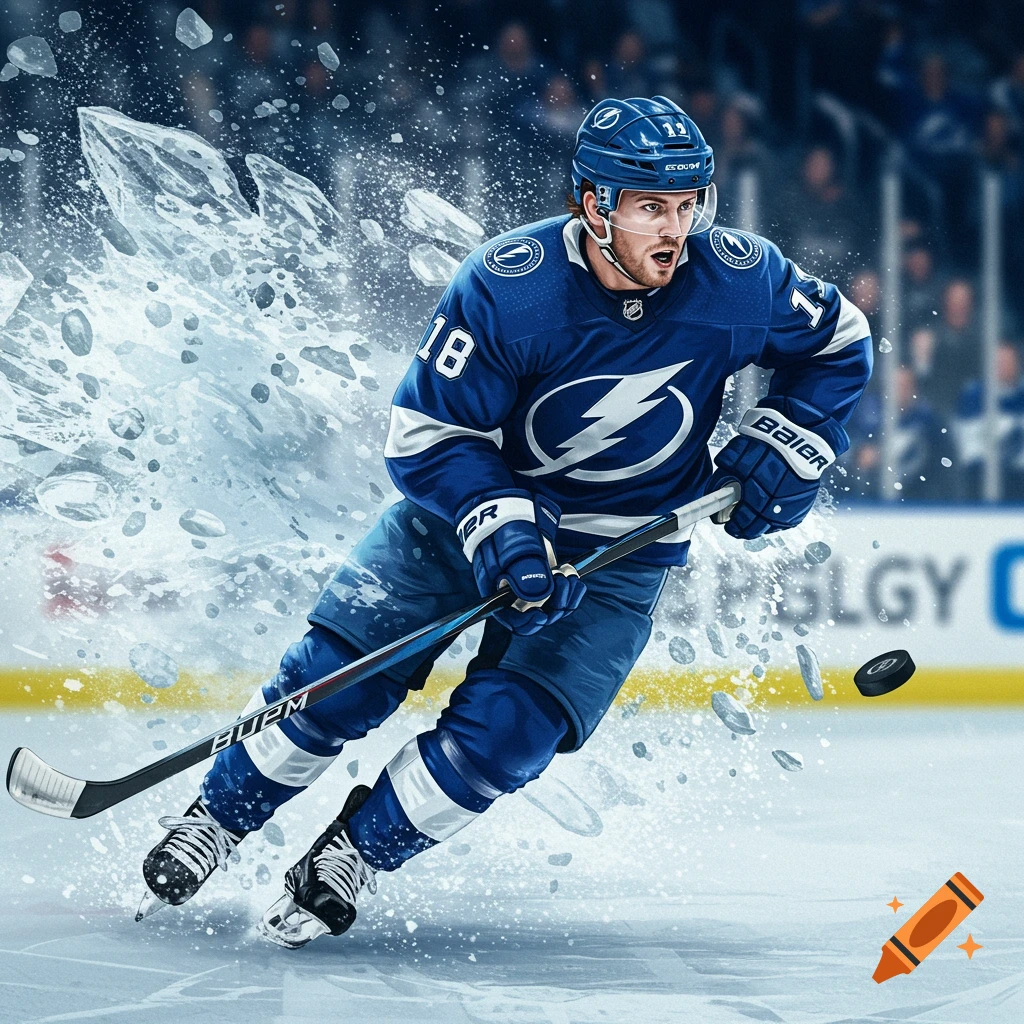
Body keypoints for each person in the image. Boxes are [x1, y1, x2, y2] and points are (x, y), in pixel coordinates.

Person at [136, 96, 873, 948]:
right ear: (594, 206)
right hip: (458, 525)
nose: (675, 231)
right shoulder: (509, 285)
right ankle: (217, 820)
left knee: (513, 733)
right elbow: (426, 432)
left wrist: (792, 437)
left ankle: (354, 854)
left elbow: (839, 340)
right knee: (341, 679)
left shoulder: (739, 279)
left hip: (618, 557)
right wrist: (503, 527)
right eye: (649, 209)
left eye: (686, 206)